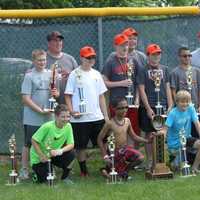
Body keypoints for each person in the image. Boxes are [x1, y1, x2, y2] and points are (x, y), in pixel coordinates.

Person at [65, 46, 109, 177]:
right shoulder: (74, 74)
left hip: (97, 117)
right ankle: (84, 171)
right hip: (80, 118)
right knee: (80, 146)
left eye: (92, 57)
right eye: (88, 58)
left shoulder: (96, 74)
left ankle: (108, 166)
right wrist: (72, 111)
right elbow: (68, 95)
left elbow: (101, 96)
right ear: (81, 58)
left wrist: (105, 116)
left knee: (104, 142)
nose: (91, 60)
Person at [20, 49, 59, 179]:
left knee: (48, 143)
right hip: (33, 118)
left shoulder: (51, 74)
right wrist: (40, 111)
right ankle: (24, 169)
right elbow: (25, 99)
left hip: (48, 117)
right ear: (34, 61)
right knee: (28, 143)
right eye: (39, 60)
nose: (42, 62)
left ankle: (48, 167)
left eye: (44, 60)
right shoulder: (29, 76)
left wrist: (55, 94)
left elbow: (56, 93)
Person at [137, 44, 173, 170]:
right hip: (149, 106)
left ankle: (160, 161)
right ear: (148, 55)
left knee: (161, 133)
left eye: (158, 53)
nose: (156, 56)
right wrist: (147, 108)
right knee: (149, 134)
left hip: (162, 106)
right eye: (153, 54)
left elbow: (167, 87)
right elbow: (141, 90)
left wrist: (170, 104)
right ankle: (150, 161)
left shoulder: (165, 69)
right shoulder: (142, 70)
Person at [102, 33, 141, 147]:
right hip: (116, 103)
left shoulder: (133, 60)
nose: (124, 48)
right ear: (116, 46)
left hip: (132, 104)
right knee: (117, 131)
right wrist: (120, 83)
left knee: (133, 131)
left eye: (126, 45)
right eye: (121, 45)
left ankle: (131, 158)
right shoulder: (111, 61)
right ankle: (116, 158)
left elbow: (139, 83)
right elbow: (104, 82)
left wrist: (137, 99)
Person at [97, 97, 150, 180]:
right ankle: (112, 171)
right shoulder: (109, 124)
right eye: (121, 108)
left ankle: (123, 171)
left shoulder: (127, 121)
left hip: (125, 149)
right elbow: (99, 139)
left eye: (126, 107)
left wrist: (147, 141)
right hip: (113, 151)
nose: (125, 110)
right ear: (114, 109)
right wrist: (105, 156)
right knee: (117, 175)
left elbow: (134, 136)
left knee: (140, 158)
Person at [31, 104, 75, 183]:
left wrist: (60, 151)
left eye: (68, 116)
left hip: (53, 155)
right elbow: (34, 140)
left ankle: (65, 178)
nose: (66, 119)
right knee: (45, 180)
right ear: (56, 116)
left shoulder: (68, 126)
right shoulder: (47, 126)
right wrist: (41, 155)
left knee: (72, 154)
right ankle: (36, 174)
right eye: (63, 117)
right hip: (40, 158)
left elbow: (71, 144)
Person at [161, 90, 200, 174]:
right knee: (175, 168)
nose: (185, 104)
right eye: (182, 102)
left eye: (187, 101)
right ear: (177, 102)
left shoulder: (191, 108)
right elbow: (165, 129)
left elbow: (197, 123)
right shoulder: (172, 113)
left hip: (187, 139)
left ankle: (194, 168)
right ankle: (173, 160)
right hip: (174, 144)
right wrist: (161, 142)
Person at [46, 31, 78, 104]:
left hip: (67, 104)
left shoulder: (70, 59)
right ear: (49, 43)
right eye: (55, 41)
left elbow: (79, 79)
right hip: (47, 104)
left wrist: (71, 76)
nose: (58, 43)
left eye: (60, 40)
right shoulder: (42, 59)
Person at [170, 46, 200, 112]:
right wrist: (178, 105)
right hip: (181, 109)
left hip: (196, 108)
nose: (187, 58)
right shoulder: (174, 72)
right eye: (185, 56)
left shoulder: (197, 71)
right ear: (179, 57)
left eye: (189, 55)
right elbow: (173, 92)